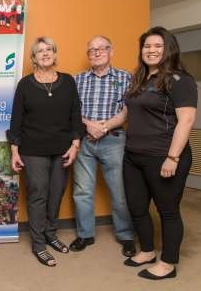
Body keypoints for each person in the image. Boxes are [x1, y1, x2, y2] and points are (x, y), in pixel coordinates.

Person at [122, 26, 197, 280]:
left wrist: (172, 157)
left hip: (164, 156)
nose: (151, 50)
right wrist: (103, 126)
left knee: (167, 210)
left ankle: (168, 263)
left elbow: (186, 121)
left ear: (168, 49)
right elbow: (129, 112)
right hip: (133, 156)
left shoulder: (179, 80)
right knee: (137, 207)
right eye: (146, 46)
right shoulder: (140, 78)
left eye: (157, 46)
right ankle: (147, 251)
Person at [7, 36, 84, 267]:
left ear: (55, 54)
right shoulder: (25, 84)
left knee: (56, 193)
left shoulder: (68, 81)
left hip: (62, 149)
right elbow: (16, 120)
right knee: (38, 194)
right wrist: (15, 151)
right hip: (33, 150)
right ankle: (39, 244)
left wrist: (75, 145)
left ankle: (51, 233)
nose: (45, 53)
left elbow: (75, 116)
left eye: (49, 49)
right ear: (34, 58)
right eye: (40, 51)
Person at [71, 36, 135, 257]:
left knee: (119, 191)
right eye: (91, 50)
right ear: (88, 54)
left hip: (114, 140)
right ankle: (85, 234)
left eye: (101, 49)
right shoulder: (76, 80)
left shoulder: (126, 77)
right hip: (85, 141)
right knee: (82, 191)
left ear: (111, 51)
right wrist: (89, 125)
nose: (96, 53)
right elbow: (71, 111)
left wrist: (105, 127)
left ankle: (126, 236)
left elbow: (128, 110)